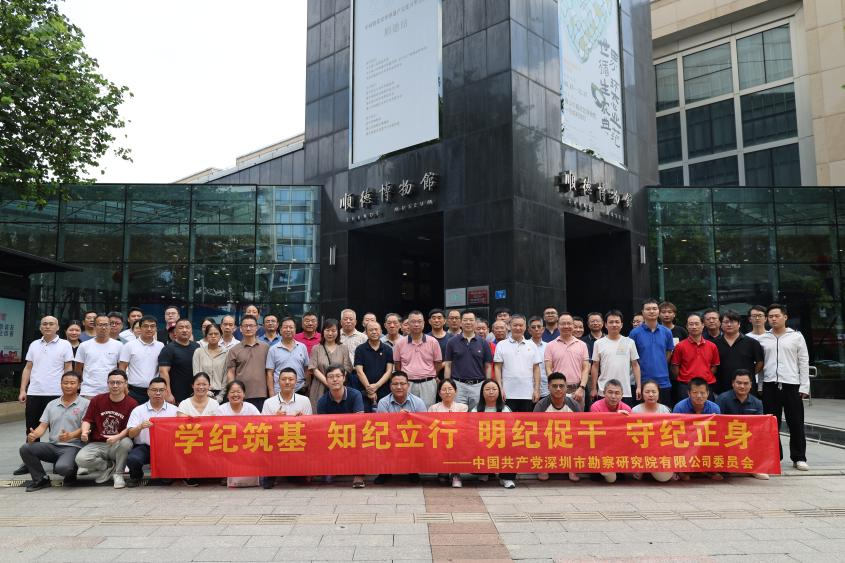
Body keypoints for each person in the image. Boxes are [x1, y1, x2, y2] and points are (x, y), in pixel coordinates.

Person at [13, 315, 74, 477]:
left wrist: (68, 389)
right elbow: (28, 368)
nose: (47, 326)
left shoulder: (65, 344)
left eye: (51, 324)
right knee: (31, 427)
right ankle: (29, 461)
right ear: (40, 327)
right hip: (35, 392)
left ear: (57, 327)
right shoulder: (34, 344)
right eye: (44, 324)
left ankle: (59, 459)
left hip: (56, 392)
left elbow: (68, 367)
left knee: (57, 428)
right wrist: (23, 390)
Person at [758, 303, 810, 471]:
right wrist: (760, 385)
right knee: (772, 424)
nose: (773, 319)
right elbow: (760, 365)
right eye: (770, 316)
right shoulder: (763, 339)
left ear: (785, 317)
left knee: (796, 423)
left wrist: (804, 387)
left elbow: (803, 362)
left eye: (777, 316)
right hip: (769, 385)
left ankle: (799, 457)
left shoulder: (796, 337)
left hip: (791, 385)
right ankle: (774, 456)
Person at [18, 371, 89, 491]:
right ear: (60, 384)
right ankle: (41, 479)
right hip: (53, 446)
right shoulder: (52, 404)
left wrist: (71, 435)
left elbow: (85, 426)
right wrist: (34, 435)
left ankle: (71, 472)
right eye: (65, 383)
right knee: (26, 448)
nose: (68, 386)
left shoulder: (86, 404)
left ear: (79, 385)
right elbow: (42, 426)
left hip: (74, 447)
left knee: (62, 468)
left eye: (72, 383)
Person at [75, 369, 137, 489]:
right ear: (107, 383)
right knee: (81, 459)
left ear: (125, 384)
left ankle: (118, 474)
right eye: (111, 382)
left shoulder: (132, 403)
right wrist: (84, 432)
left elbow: (131, 428)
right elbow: (87, 420)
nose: (115, 385)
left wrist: (117, 437)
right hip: (98, 443)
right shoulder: (97, 400)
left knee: (126, 442)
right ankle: (107, 466)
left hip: (118, 443)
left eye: (118, 382)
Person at [374, 371, 428, 485]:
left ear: (408, 385)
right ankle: (385, 471)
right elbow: (382, 426)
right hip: (390, 436)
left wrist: (408, 422)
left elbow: (423, 426)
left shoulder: (418, 402)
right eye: (395, 384)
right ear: (390, 386)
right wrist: (398, 418)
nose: (399, 387)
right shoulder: (383, 402)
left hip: (412, 437)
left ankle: (413, 470)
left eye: (402, 383)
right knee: (380, 438)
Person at [317, 365, 366, 488]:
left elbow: (359, 420)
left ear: (344, 378)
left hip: (353, 433)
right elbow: (323, 426)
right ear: (326, 380)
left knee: (362, 436)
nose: (335, 380)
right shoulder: (322, 401)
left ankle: (359, 474)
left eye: (338, 376)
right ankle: (330, 468)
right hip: (333, 435)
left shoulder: (355, 394)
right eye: (331, 377)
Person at [716, 369, 769, 480]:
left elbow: (759, 426)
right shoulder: (723, 399)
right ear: (733, 383)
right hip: (727, 437)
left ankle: (755, 468)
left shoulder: (757, 403)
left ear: (751, 385)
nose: (742, 386)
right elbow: (717, 423)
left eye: (745, 383)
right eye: (739, 383)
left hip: (747, 437)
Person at [124, 377, 177, 487]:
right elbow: (130, 434)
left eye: (161, 390)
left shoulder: (174, 410)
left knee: (167, 479)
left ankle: (166, 473)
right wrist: (140, 427)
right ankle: (136, 476)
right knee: (133, 459)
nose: (157, 393)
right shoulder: (138, 410)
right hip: (144, 447)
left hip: (166, 447)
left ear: (166, 392)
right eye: (154, 390)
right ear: (148, 392)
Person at [534, 372, 581, 482]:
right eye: (555, 386)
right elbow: (535, 429)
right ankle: (543, 467)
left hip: (568, 438)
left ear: (566, 387)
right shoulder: (541, 405)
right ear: (548, 387)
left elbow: (580, 427)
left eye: (561, 386)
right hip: (547, 439)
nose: (558, 389)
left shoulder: (574, 404)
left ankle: (572, 469)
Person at [629, 299, 675, 406]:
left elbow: (668, 353)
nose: (651, 311)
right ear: (643, 312)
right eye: (648, 309)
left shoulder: (667, 332)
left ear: (658, 311)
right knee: (643, 413)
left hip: (663, 381)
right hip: (643, 381)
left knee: (664, 412)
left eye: (654, 309)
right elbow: (633, 358)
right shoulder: (634, 333)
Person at [444, 310, 492, 411]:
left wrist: (487, 384)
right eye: (465, 320)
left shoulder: (484, 343)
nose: (468, 322)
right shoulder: (452, 342)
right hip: (458, 385)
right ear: (461, 323)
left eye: (471, 320)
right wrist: (447, 383)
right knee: (458, 415)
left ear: (476, 323)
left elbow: (488, 366)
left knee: (477, 414)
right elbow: (448, 365)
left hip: (478, 385)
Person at [393, 310, 442, 407]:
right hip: (408, 383)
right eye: (413, 322)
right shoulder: (400, 343)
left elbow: (438, 363)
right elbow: (397, 364)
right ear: (408, 324)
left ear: (423, 323)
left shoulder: (433, 342)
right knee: (407, 409)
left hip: (428, 383)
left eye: (419, 321)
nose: (416, 324)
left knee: (427, 410)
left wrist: (430, 375)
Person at [591, 310, 641, 407]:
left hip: (625, 391)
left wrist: (638, 387)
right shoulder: (598, 343)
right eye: (611, 322)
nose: (614, 324)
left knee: (624, 416)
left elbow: (635, 365)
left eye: (617, 322)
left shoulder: (629, 342)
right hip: (604, 390)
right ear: (605, 325)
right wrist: (593, 388)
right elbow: (595, 366)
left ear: (621, 324)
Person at [494, 314, 541, 412]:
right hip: (507, 393)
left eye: (521, 325)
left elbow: (536, 368)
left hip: (527, 393)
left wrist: (536, 390)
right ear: (509, 326)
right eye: (515, 325)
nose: (518, 328)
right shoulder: (501, 345)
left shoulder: (532, 345)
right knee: (507, 420)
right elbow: (497, 368)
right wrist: (499, 388)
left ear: (525, 327)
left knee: (526, 420)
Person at [475, 379, 516, 489]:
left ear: (499, 392)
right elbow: (471, 430)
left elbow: (512, 429)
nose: (491, 392)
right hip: (483, 443)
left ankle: (506, 478)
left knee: (513, 445)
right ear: (482, 392)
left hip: (502, 442)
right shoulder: (476, 410)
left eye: (494, 389)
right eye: (487, 389)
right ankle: (484, 472)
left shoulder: (505, 409)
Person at [670, 313, 719, 404]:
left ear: (703, 325)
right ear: (687, 326)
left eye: (697, 324)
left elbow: (714, 367)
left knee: (707, 410)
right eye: (691, 324)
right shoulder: (680, 346)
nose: (694, 327)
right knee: (685, 411)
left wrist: (704, 376)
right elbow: (675, 367)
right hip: (685, 386)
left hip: (706, 385)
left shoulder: (712, 346)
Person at [544, 312, 590, 408]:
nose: (566, 326)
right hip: (558, 390)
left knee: (578, 417)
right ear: (558, 325)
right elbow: (548, 368)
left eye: (569, 323)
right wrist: (555, 386)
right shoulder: (550, 345)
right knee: (558, 416)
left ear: (573, 325)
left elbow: (586, 368)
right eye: (563, 324)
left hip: (577, 390)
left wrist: (582, 387)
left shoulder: (582, 345)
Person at [714, 310, 764, 396]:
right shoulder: (714, 344)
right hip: (722, 388)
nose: (729, 325)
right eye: (726, 322)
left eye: (732, 322)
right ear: (721, 324)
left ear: (739, 324)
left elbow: (760, 362)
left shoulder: (752, 342)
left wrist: (749, 374)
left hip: (746, 389)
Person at [589, 379, 630, 483]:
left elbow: (628, 434)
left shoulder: (627, 409)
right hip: (600, 446)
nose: (613, 396)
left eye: (617, 393)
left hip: (619, 448)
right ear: (604, 393)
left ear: (622, 395)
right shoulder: (595, 407)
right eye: (610, 392)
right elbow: (598, 431)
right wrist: (616, 418)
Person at [429, 378, 468, 488]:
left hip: (457, 439)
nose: (447, 392)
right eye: (444, 389)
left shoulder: (463, 407)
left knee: (456, 443)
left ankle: (456, 474)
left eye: (450, 389)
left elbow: (462, 425)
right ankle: (443, 471)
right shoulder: (433, 408)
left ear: (455, 391)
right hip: (439, 439)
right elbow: (430, 426)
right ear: (439, 393)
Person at [226, 315, 270, 410]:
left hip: (262, 394)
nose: (248, 328)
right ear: (240, 329)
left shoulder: (266, 347)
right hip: (241, 395)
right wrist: (233, 391)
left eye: (251, 326)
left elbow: (270, 372)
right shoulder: (234, 350)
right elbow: (230, 372)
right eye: (245, 326)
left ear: (257, 328)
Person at [307, 318, 352, 412]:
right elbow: (314, 369)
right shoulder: (316, 348)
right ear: (323, 331)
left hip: (338, 387)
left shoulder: (343, 348)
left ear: (338, 332)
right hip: (319, 386)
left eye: (333, 330)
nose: (330, 333)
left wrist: (336, 382)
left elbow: (347, 368)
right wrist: (329, 383)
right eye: (327, 330)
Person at [118, 315, 165, 405]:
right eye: (146, 326)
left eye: (152, 326)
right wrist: (125, 389)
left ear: (156, 328)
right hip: (134, 391)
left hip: (155, 391)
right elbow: (122, 368)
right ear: (140, 328)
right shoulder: (129, 345)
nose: (149, 329)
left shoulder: (161, 346)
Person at [76, 314, 123, 398]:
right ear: (94, 327)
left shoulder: (119, 345)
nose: (103, 327)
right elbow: (78, 369)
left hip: (111, 391)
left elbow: (122, 368)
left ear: (110, 326)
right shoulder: (84, 345)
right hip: (89, 391)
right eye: (100, 325)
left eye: (106, 325)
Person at [354, 320, 394, 411]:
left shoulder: (387, 349)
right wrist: (369, 388)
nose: (374, 332)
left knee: (384, 416)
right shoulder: (360, 349)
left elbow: (389, 371)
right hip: (364, 390)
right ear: (366, 332)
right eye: (371, 330)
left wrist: (376, 386)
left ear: (381, 331)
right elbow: (359, 371)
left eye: (376, 329)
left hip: (384, 390)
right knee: (364, 415)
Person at [158, 318, 199, 404]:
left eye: (187, 327)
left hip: (195, 393)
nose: (184, 330)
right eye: (181, 327)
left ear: (191, 330)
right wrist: (168, 393)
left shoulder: (197, 346)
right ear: (175, 331)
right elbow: (163, 372)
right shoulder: (168, 349)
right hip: (176, 395)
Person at [266, 317, 310, 396]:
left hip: (299, 389)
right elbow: (270, 373)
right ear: (280, 330)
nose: (288, 330)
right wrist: (271, 393)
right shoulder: (273, 349)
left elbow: (306, 368)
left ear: (295, 330)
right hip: (279, 391)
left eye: (291, 327)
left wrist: (306, 385)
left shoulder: (302, 347)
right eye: (285, 327)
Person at [192, 322, 228, 402]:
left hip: (220, 393)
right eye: (210, 334)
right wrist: (206, 390)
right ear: (206, 336)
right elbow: (196, 373)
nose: (213, 336)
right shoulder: (199, 352)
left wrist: (221, 395)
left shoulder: (226, 353)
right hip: (201, 391)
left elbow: (226, 376)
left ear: (221, 335)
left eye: (216, 334)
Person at [528, 316, 550, 400]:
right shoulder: (524, 345)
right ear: (529, 330)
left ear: (543, 329)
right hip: (529, 389)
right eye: (533, 327)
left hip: (546, 389)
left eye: (539, 326)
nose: (536, 329)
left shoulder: (548, 346)